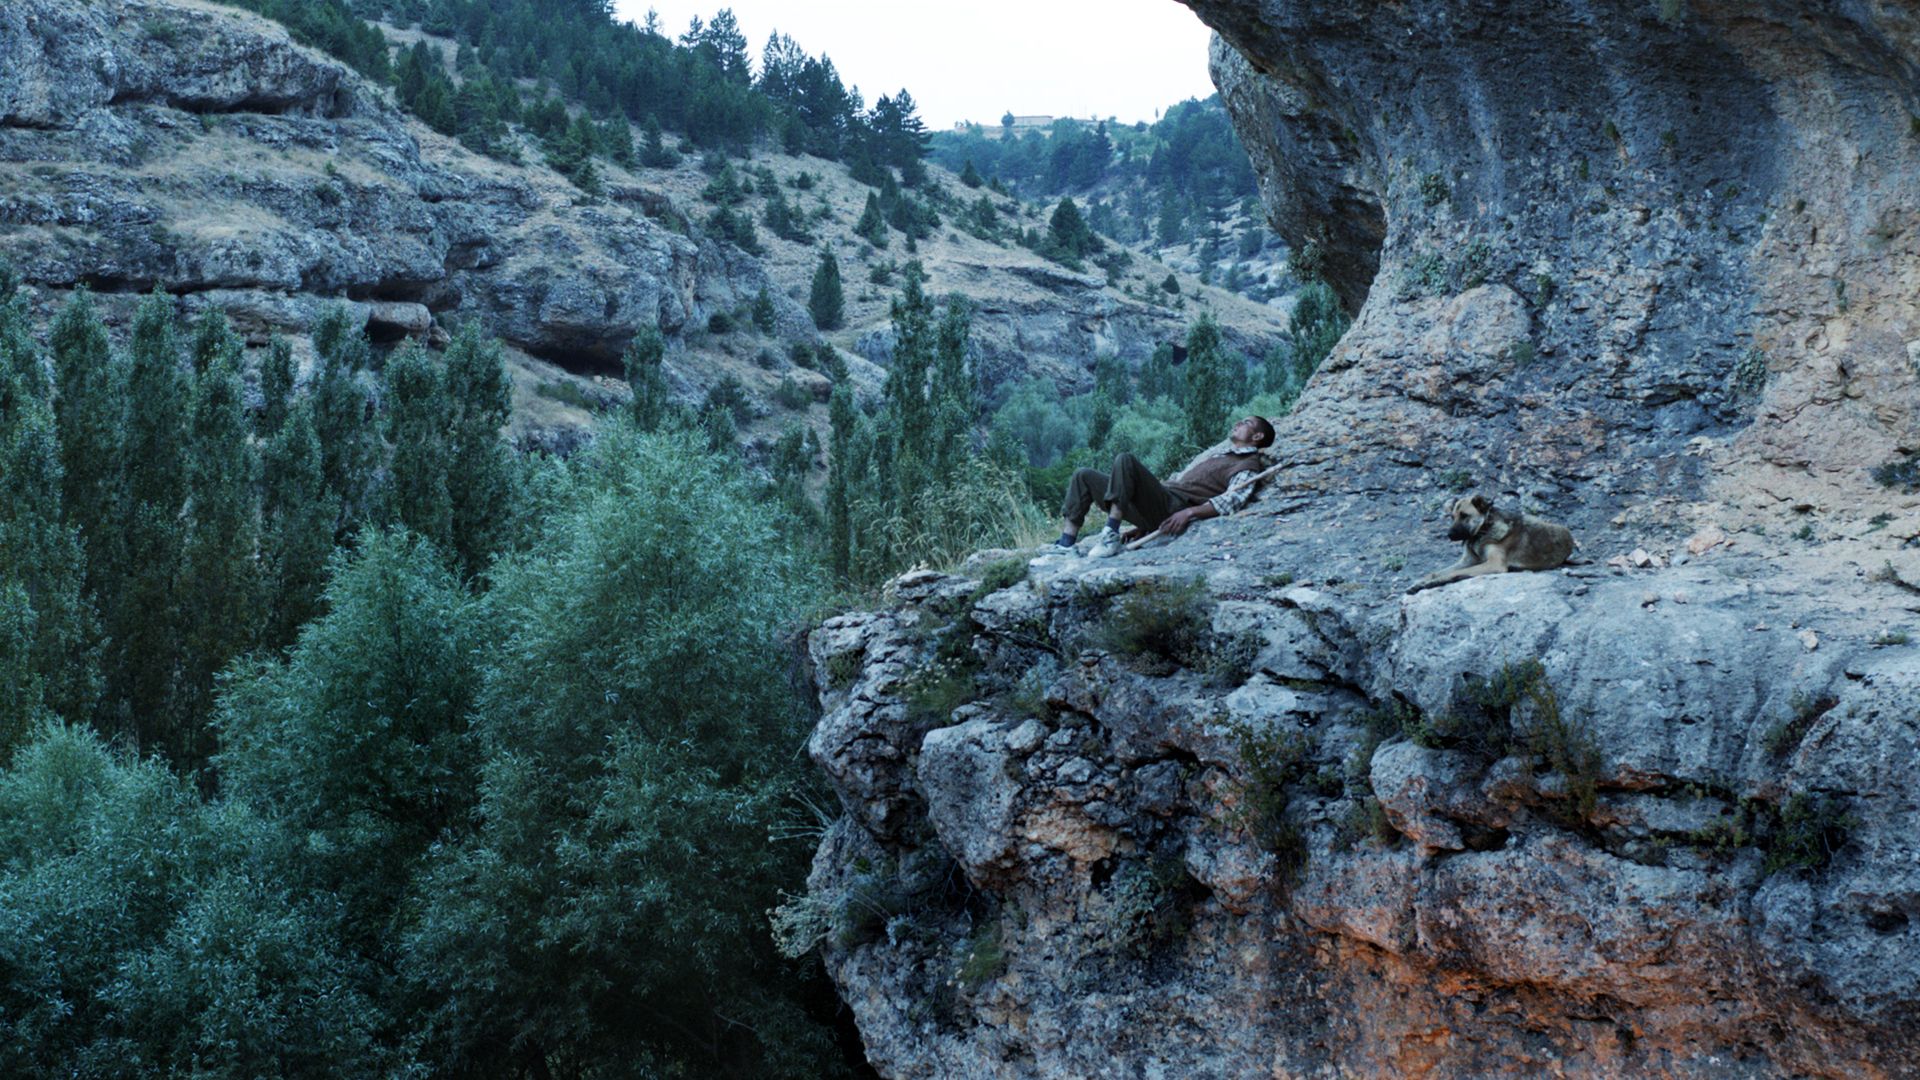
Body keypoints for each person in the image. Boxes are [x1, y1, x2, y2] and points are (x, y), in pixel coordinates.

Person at [1056, 416, 1276, 558]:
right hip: (1159, 505)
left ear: (1257, 436)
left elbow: (1231, 501)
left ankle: (1110, 534)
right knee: (1083, 475)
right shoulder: (1223, 455)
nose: (1238, 423)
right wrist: (1144, 521)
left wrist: (1189, 512)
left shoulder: (1247, 466)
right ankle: (1065, 546)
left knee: (1126, 460)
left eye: (1246, 423)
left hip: (1173, 506)